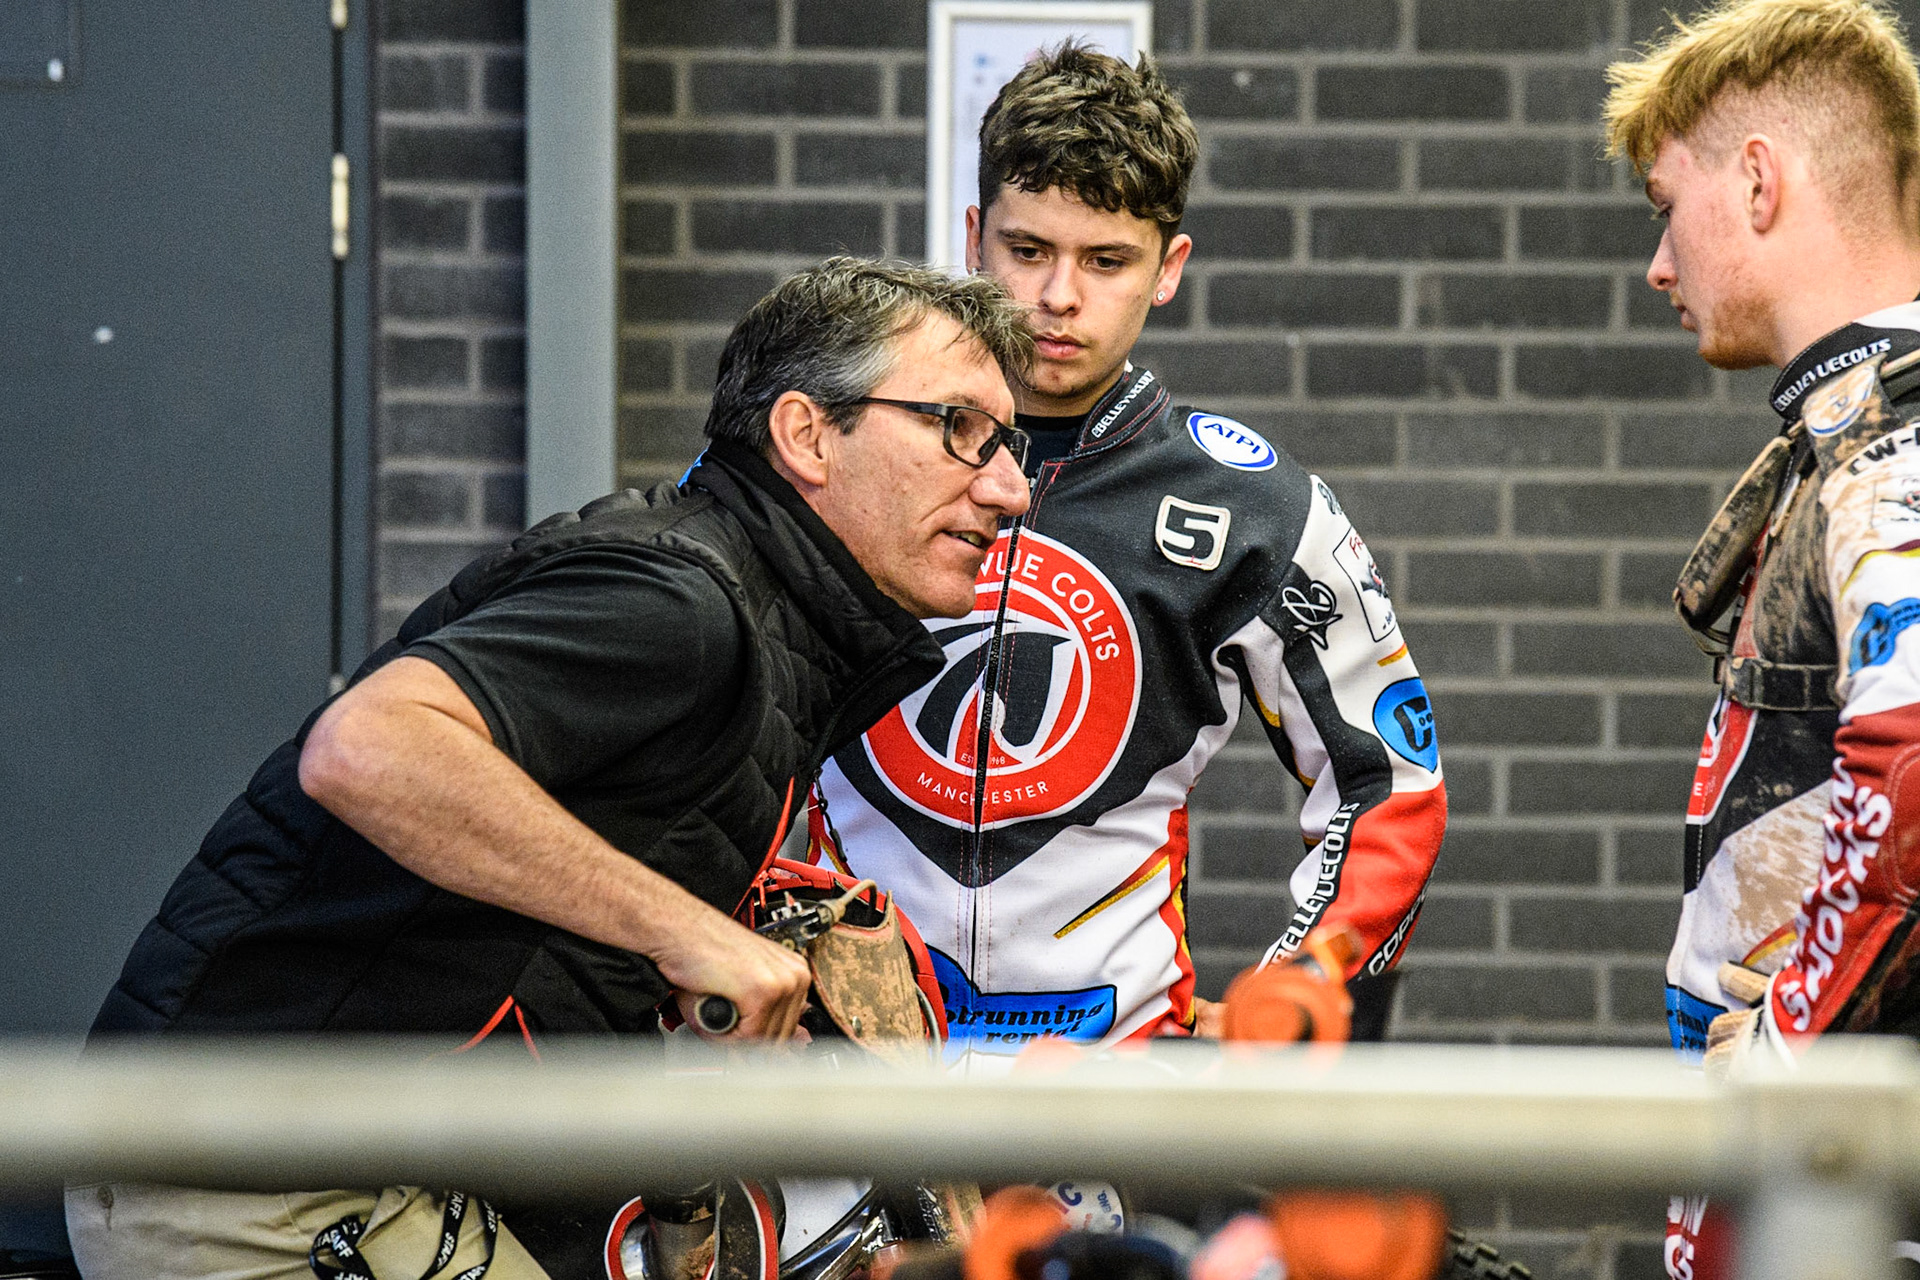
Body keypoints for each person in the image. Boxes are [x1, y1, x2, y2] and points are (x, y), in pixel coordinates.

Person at [66, 258, 1034, 1280]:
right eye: (960, 428)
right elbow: (372, 746)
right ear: (805, 434)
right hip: (258, 1184)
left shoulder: (768, 624)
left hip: (373, 1163)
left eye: (1009, 446)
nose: (1008, 487)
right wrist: (685, 928)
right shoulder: (682, 602)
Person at [808, 44, 1448, 1069]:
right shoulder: (840, 454)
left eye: (1105, 261)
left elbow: (1389, 782)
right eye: (1028, 251)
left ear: (1169, 268)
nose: (1060, 296)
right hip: (841, 1074)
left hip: (1108, 1089)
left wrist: (1293, 987)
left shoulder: (1254, 507)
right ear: (973, 239)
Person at [1604, 0, 1920, 1273]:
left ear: (1758, 176)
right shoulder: (1844, 433)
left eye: (1665, 208)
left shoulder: (1893, 451)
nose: (1658, 268)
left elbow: (1910, 784)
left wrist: (1785, 1053)